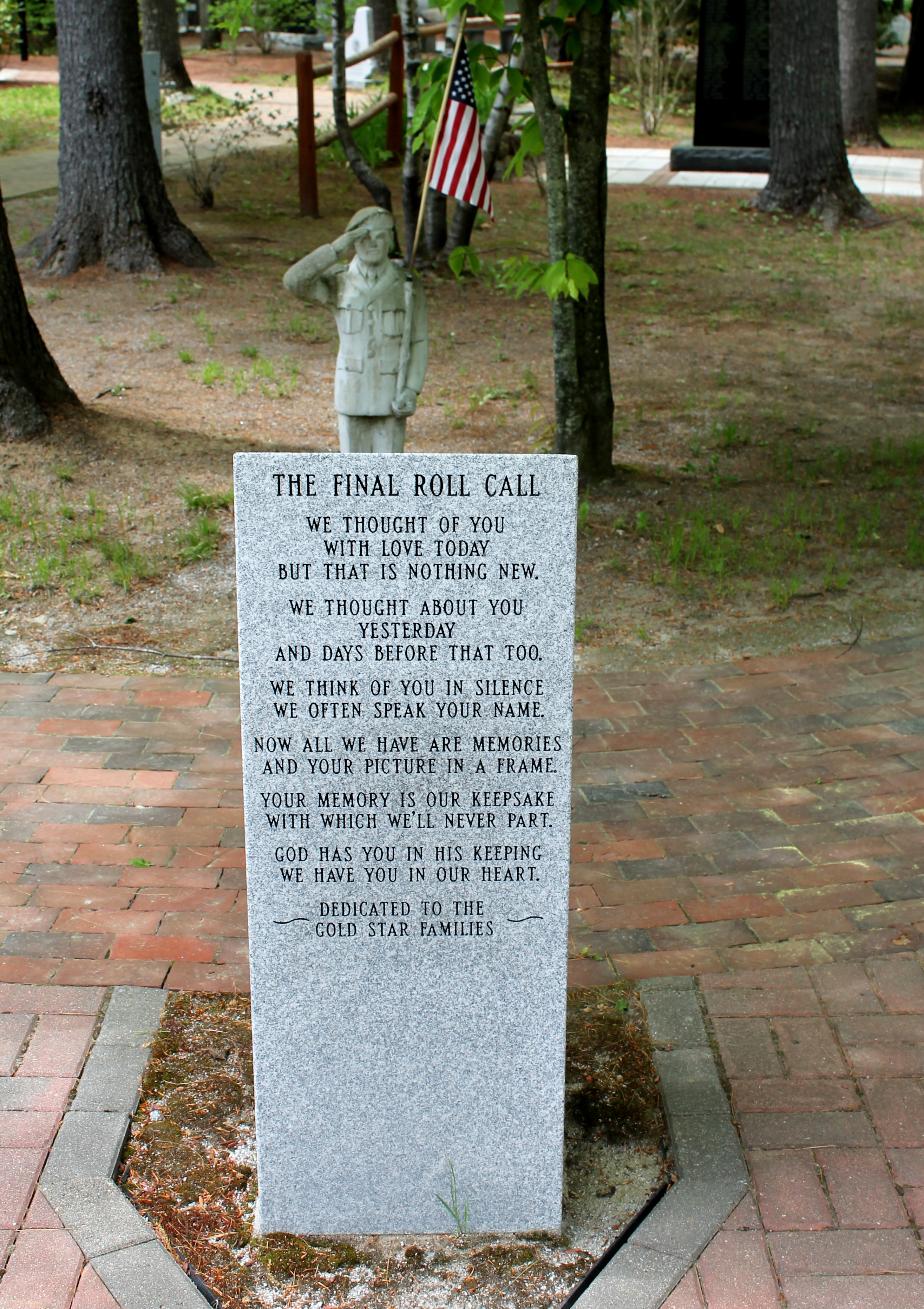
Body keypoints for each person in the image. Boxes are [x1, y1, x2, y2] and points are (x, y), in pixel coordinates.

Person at [282, 207, 427, 453]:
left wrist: (412, 389)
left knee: (390, 479)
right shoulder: (338, 282)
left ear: (390, 240)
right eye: (364, 236)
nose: (372, 243)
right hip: (352, 389)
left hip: (391, 392)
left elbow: (419, 340)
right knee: (352, 476)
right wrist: (335, 249)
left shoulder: (407, 285)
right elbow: (294, 281)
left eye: (380, 236)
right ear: (353, 241)